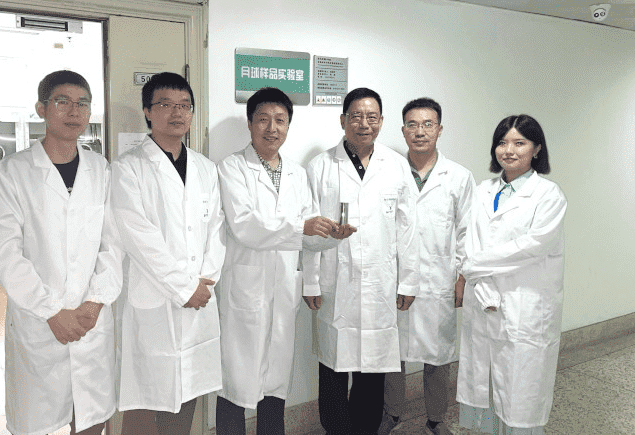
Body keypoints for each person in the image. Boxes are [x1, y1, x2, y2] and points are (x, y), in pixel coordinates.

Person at [0, 70, 115, 435]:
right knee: (38, 421)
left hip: (91, 317)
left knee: (91, 417)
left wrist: (96, 301)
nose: (74, 111)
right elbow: (6, 253)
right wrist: (51, 311)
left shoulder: (101, 169)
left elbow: (113, 243)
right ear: (41, 108)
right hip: (39, 319)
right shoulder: (11, 173)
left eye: (83, 103)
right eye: (63, 102)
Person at [216, 87, 341, 435]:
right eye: (263, 119)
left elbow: (307, 233)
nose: (272, 128)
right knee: (235, 384)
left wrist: (330, 234)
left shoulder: (297, 174)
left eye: (280, 120)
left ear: (288, 125)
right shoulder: (232, 168)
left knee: (275, 383)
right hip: (245, 289)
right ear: (249, 123)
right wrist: (302, 227)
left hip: (283, 289)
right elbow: (245, 225)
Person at [109, 72, 226, 435]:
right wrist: (184, 287)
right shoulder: (127, 168)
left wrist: (205, 279)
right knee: (146, 395)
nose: (177, 113)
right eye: (166, 104)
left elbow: (217, 228)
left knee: (188, 389)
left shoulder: (206, 168)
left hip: (199, 296)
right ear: (148, 111)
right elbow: (138, 237)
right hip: (155, 299)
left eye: (184, 105)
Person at [302, 87, 420, 435]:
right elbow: (308, 228)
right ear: (343, 121)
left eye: (371, 117)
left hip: (380, 285)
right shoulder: (321, 166)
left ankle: (366, 428)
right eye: (356, 116)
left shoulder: (396, 166)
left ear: (381, 122)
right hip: (335, 283)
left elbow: (408, 229)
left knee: (372, 372)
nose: (364, 124)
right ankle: (336, 430)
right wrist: (310, 281)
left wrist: (408, 280)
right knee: (333, 369)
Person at [457, 114, 567, 434]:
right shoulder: (482, 190)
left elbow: (532, 247)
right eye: (502, 143)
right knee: (485, 378)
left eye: (520, 143)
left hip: (525, 303)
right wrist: (479, 279)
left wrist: (473, 267)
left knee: (520, 384)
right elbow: (467, 239)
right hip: (483, 299)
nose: (509, 150)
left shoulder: (548, 195)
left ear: (537, 149)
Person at [381, 98, 475, 435]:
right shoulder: (388, 172)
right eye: (412, 124)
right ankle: (391, 414)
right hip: (395, 278)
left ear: (439, 129)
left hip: (439, 280)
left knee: (438, 355)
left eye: (427, 124)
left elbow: (468, 231)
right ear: (403, 130)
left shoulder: (459, 177)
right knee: (393, 353)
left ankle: (436, 419)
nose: (420, 131)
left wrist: (462, 276)